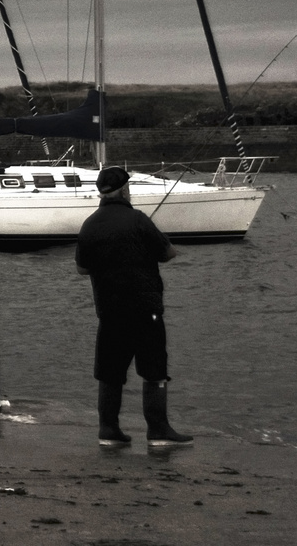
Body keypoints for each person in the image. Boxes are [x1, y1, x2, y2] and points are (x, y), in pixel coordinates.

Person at [75, 165, 193, 449]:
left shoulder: (89, 225)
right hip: (144, 308)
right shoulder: (138, 220)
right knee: (154, 369)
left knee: (110, 371)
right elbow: (168, 253)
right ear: (126, 190)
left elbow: (81, 269)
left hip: (109, 311)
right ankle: (158, 430)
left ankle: (108, 430)